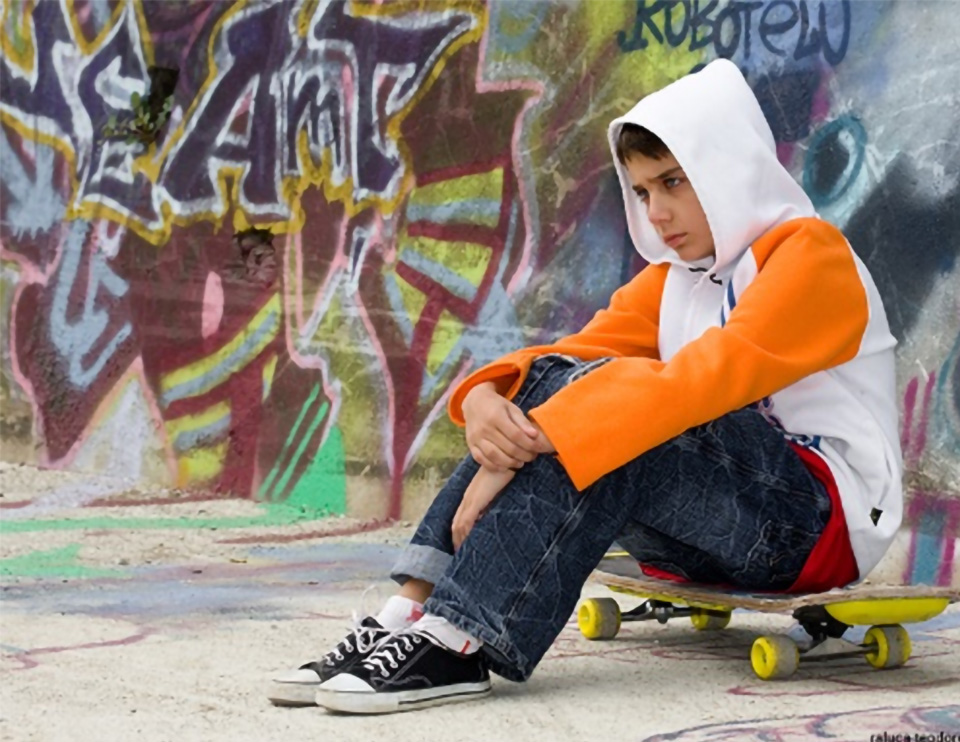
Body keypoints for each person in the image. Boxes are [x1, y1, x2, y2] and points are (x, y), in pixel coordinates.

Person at [268, 59, 903, 714]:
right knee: (561, 384)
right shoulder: (675, 280)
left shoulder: (811, 256)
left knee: (618, 406)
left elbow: (705, 380)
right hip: (720, 529)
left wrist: (542, 431)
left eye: (673, 183)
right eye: (643, 191)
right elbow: (566, 359)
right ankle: (409, 612)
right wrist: (488, 401)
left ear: (727, 166)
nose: (656, 212)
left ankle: (460, 641)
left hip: (817, 523)